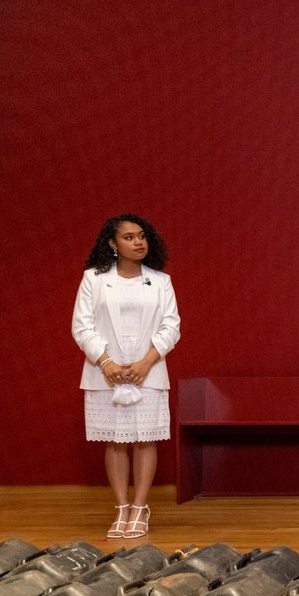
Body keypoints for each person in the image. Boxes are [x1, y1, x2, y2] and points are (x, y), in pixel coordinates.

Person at [72, 214, 181, 540]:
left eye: (142, 236)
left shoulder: (161, 281)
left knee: (144, 438)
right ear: (112, 244)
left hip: (147, 372)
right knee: (116, 441)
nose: (139, 242)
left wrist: (147, 361)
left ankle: (140, 507)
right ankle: (121, 508)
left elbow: (171, 326)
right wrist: (105, 361)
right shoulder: (94, 279)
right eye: (130, 237)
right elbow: (82, 325)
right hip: (105, 373)